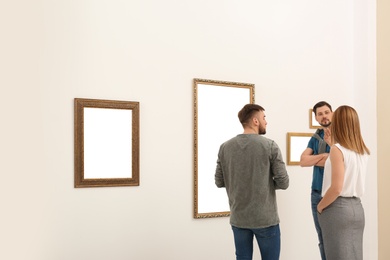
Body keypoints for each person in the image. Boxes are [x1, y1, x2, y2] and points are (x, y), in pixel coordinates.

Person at [215, 104, 289, 260]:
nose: (266, 122)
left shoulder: (225, 147)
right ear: (255, 121)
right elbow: (284, 182)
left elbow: (219, 181)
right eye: (264, 118)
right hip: (265, 219)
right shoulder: (270, 146)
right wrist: (264, 184)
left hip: (239, 218)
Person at [317, 105, 370, 260]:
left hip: (337, 210)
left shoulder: (337, 150)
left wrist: (320, 206)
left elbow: (337, 188)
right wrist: (332, 144)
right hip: (357, 209)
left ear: (338, 123)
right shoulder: (362, 151)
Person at [299, 101, 333, 260]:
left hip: (334, 193)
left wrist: (316, 159)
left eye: (326, 112)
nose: (324, 116)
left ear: (332, 113)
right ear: (316, 118)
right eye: (320, 114)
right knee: (322, 239)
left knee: (335, 239)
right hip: (316, 193)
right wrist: (324, 157)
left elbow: (341, 161)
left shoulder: (340, 134)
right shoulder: (316, 136)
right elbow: (303, 161)